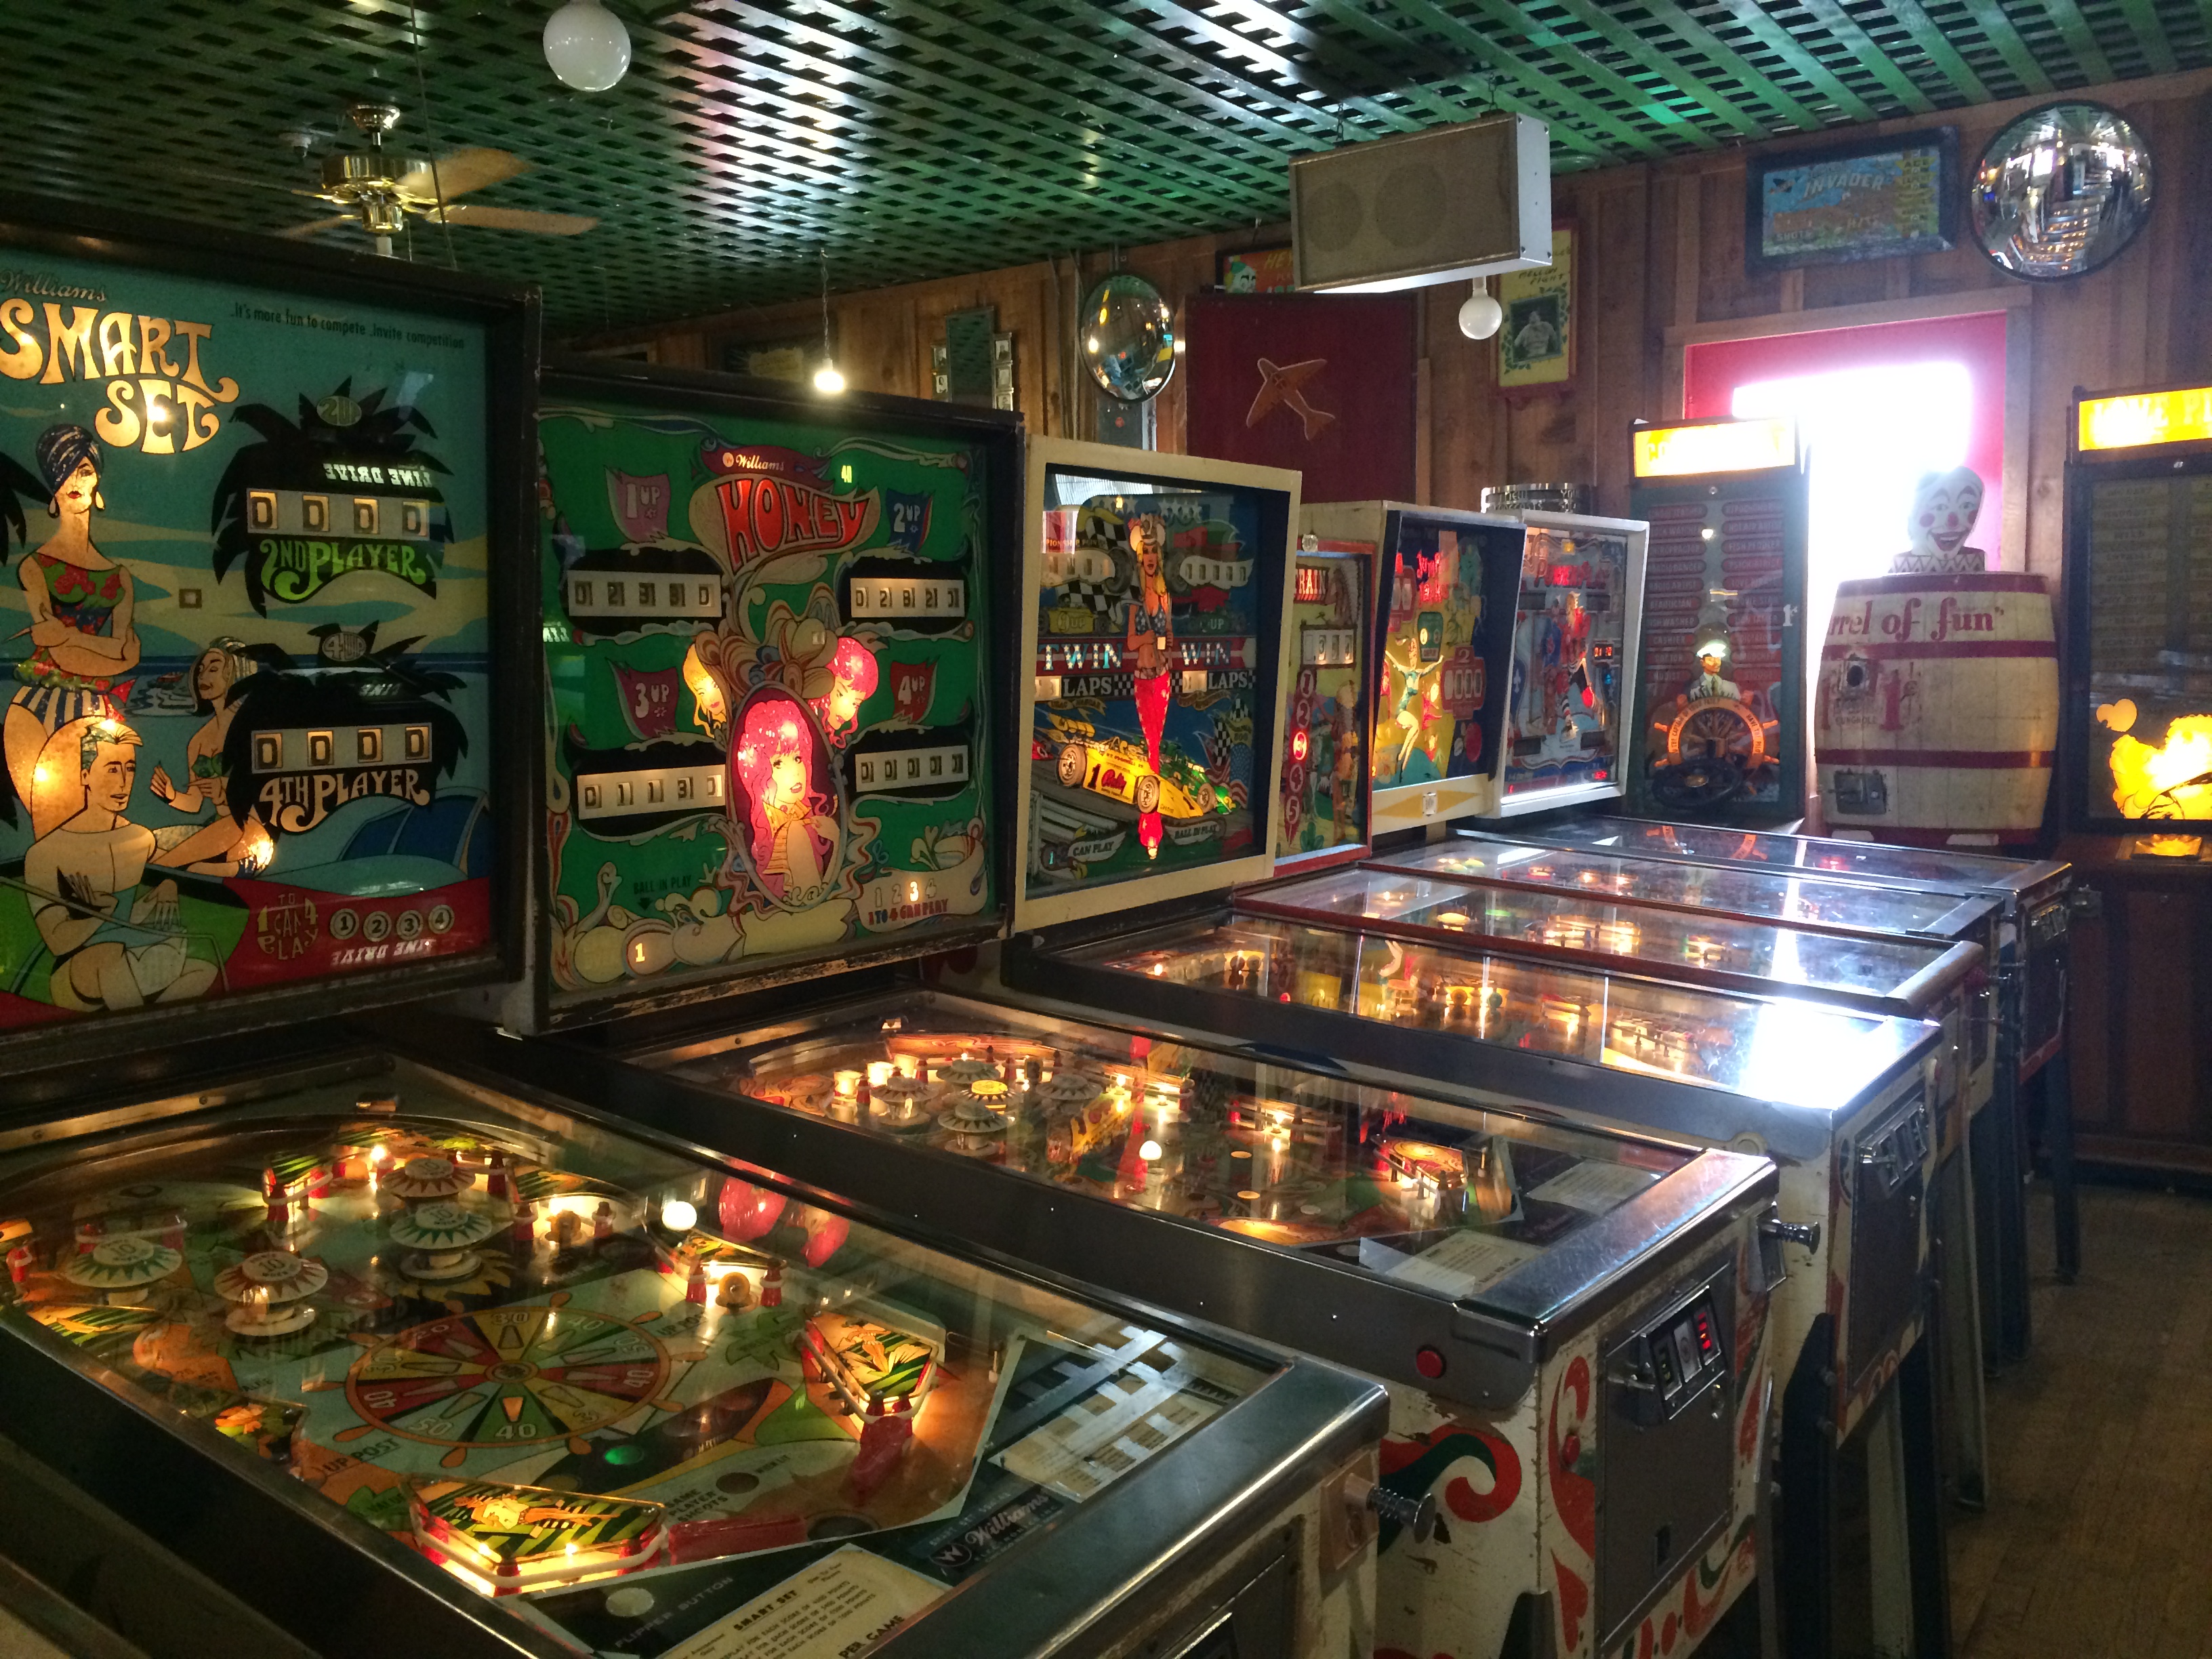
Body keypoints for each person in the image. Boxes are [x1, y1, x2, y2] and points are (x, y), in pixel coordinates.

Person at [22, 718, 216, 1012]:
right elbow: (58, 942)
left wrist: (168, 884)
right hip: (80, 971)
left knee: (204, 970)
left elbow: (173, 871)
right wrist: (104, 912)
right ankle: (139, 1026)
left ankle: (145, 1018)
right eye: (112, 769)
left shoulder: (141, 838)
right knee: (108, 955)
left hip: (133, 954)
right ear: (85, 775)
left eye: (130, 768)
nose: (124, 782)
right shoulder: (46, 854)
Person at [5, 427, 140, 817]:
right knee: (51, 818)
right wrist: (114, 653)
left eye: (84, 470)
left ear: (97, 480)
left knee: (97, 822)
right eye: (63, 473)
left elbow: (123, 653)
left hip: (100, 709)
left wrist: (68, 635)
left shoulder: (120, 576)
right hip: (40, 706)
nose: (74, 482)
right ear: (53, 487)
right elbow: (73, 659)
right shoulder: (34, 568)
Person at [147, 636, 268, 875]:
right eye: (201, 670)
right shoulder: (199, 741)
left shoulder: (257, 728)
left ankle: (161, 871)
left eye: (213, 669)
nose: (203, 677)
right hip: (219, 828)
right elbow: (194, 803)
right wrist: (171, 795)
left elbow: (271, 789)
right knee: (151, 847)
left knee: (168, 866)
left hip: (254, 830)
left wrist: (224, 788)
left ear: (237, 674)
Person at [733, 696, 840, 903]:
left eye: (798, 758)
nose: (795, 772)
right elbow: (816, 904)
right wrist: (836, 840)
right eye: (779, 763)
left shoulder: (782, 826)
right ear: (759, 770)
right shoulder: (794, 830)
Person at [1123, 514, 1174, 855]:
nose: (1151, 557)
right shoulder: (1135, 595)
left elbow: (1170, 635)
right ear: (1140, 557)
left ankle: (1152, 821)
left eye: (1155, 551)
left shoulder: (1165, 596)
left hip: (1162, 675)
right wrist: (1147, 638)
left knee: (1156, 744)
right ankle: (1151, 822)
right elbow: (1130, 641)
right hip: (1142, 677)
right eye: (1146, 552)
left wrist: (1164, 642)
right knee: (1150, 742)